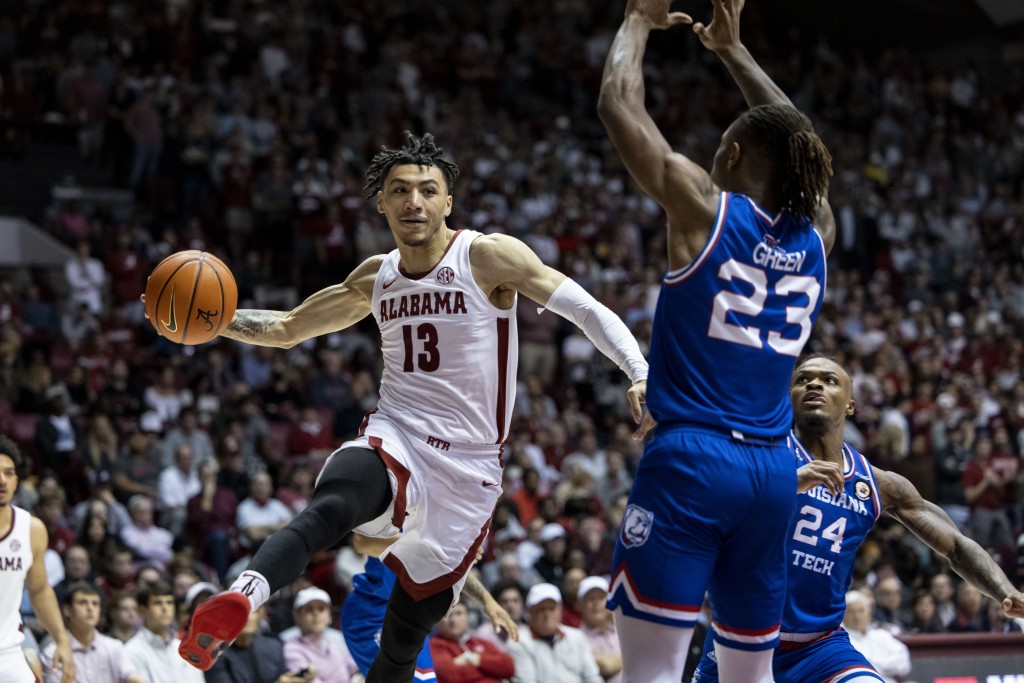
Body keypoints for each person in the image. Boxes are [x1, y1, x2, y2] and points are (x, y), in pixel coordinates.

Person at [176, 131, 648, 682]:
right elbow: (285, 329)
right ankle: (242, 595)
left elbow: (586, 308)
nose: (413, 202)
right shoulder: (376, 277)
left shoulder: (487, 256)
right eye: (399, 190)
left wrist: (639, 372)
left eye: (428, 190)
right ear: (381, 203)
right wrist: (211, 320)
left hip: (469, 471)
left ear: (449, 202)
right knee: (333, 503)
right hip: (397, 433)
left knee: (402, 642)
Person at [597, 1, 833, 680]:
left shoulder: (704, 208)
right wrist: (734, 53)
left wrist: (638, 19)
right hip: (772, 474)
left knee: (651, 672)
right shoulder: (818, 236)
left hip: (694, 459)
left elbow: (618, 104)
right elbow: (801, 141)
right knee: (751, 675)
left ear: (730, 154)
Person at [692, 356, 1024, 683]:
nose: (815, 384)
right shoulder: (759, 453)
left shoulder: (877, 483)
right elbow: (708, 510)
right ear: (788, 398)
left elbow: (955, 546)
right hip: (739, 639)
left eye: (829, 379)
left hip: (819, 648)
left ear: (850, 406)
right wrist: (786, 483)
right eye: (804, 379)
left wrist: (1007, 592)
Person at [341, 533, 520, 683]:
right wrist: (429, 547)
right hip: (368, 611)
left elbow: (444, 565)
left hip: (407, 605)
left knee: (427, 680)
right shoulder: (392, 497)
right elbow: (361, 542)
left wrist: (487, 599)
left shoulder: (434, 510)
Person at [0, 435, 76, 683]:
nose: (2, 480)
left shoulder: (30, 529)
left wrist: (62, 640)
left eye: (9, 473)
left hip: (8, 653)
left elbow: (40, 590)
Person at [40, 581, 145, 683]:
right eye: (82, 603)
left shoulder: (114, 647)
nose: (90, 608)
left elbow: (131, 675)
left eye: (95, 604)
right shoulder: (53, 653)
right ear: (67, 610)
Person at [507, 583, 602, 683]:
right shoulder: (519, 641)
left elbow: (593, 678)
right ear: (530, 612)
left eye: (551, 608)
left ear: (560, 610)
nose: (547, 614)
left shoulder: (576, 637)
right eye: (541, 609)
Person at [205, 604, 316, 683]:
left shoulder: (273, 646)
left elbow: (285, 676)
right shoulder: (216, 656)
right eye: (241, 612)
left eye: (252, 611)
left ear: (260, 614)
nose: (247, 618)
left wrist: (299, 678)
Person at [125, 581, 205, 683]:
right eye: (158, 603)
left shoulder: (186, 649)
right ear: (142, 610)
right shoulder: (132, 651)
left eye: (169, 602)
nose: (165, 608)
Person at [282, 587, 362, 683]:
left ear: (329, 616)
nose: (316, 614)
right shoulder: (292, 649)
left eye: (321, 609)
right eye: (309, 609)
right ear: (297, 616)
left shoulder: (336, 641)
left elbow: (356, 667)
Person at [429, 600, 515, 683]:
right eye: (448, 615)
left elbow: (509, 667)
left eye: (459, 613)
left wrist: (476, 658)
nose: (453, 620)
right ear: (439, 620)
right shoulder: (435, 645)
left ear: (467, 617)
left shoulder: (479, 642)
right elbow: (451, 676)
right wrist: (491, 672)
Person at [841, 591, 911, 683]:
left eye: (861, 611)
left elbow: (903, 663)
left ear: (868, 613)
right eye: (851, 612)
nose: (857, 616)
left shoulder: (881, 635)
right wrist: (887, 666)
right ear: (843, 615)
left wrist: (871, 662)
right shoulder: (841, 639)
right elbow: (855, 669)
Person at [576, 577, 621, 683]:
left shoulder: (619, 629)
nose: (596, 603)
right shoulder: (578, 638)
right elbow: (606, 666)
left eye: (601, 598)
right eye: (591, 599)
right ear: (580, 605)